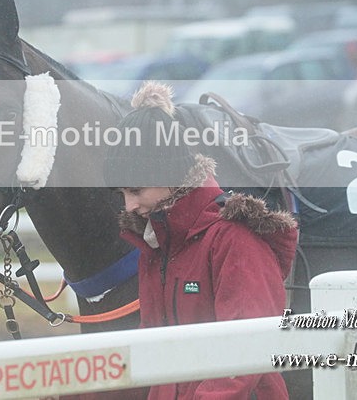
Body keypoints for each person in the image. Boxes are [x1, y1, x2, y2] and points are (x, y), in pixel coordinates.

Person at [105, 81, 299, 400]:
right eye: (123, 193)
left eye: (135, 190)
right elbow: (151, 347)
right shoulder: (156, 245)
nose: (129, 206)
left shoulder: (235, 239)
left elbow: (248, 351)